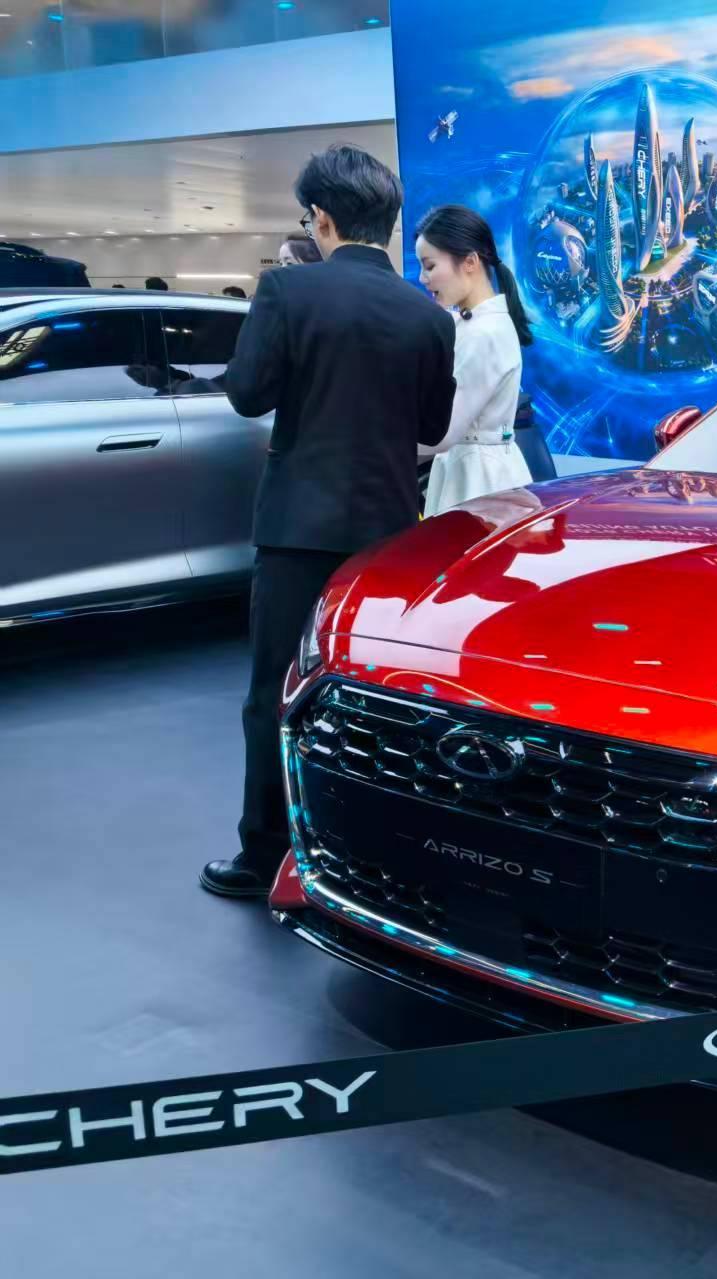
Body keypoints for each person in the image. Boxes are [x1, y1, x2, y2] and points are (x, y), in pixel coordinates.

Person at [199, 145, 457, 899]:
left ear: (320, 218)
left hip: (296, 527)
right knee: (380, 694)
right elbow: (432, 427)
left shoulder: (287, 290)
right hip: (387, 533)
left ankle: (265, 856)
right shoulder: (428, 313)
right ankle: (381, 852)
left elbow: (247, 394)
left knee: (274, 692)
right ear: (390, 220)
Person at [414, 204, 534, 516]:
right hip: (472, 469)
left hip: (477, 480)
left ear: (469, 261)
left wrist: (376, 445)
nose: (423, 278)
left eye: (429, 266)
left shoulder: (484, 332)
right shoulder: (474, 325)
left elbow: (443, 433)